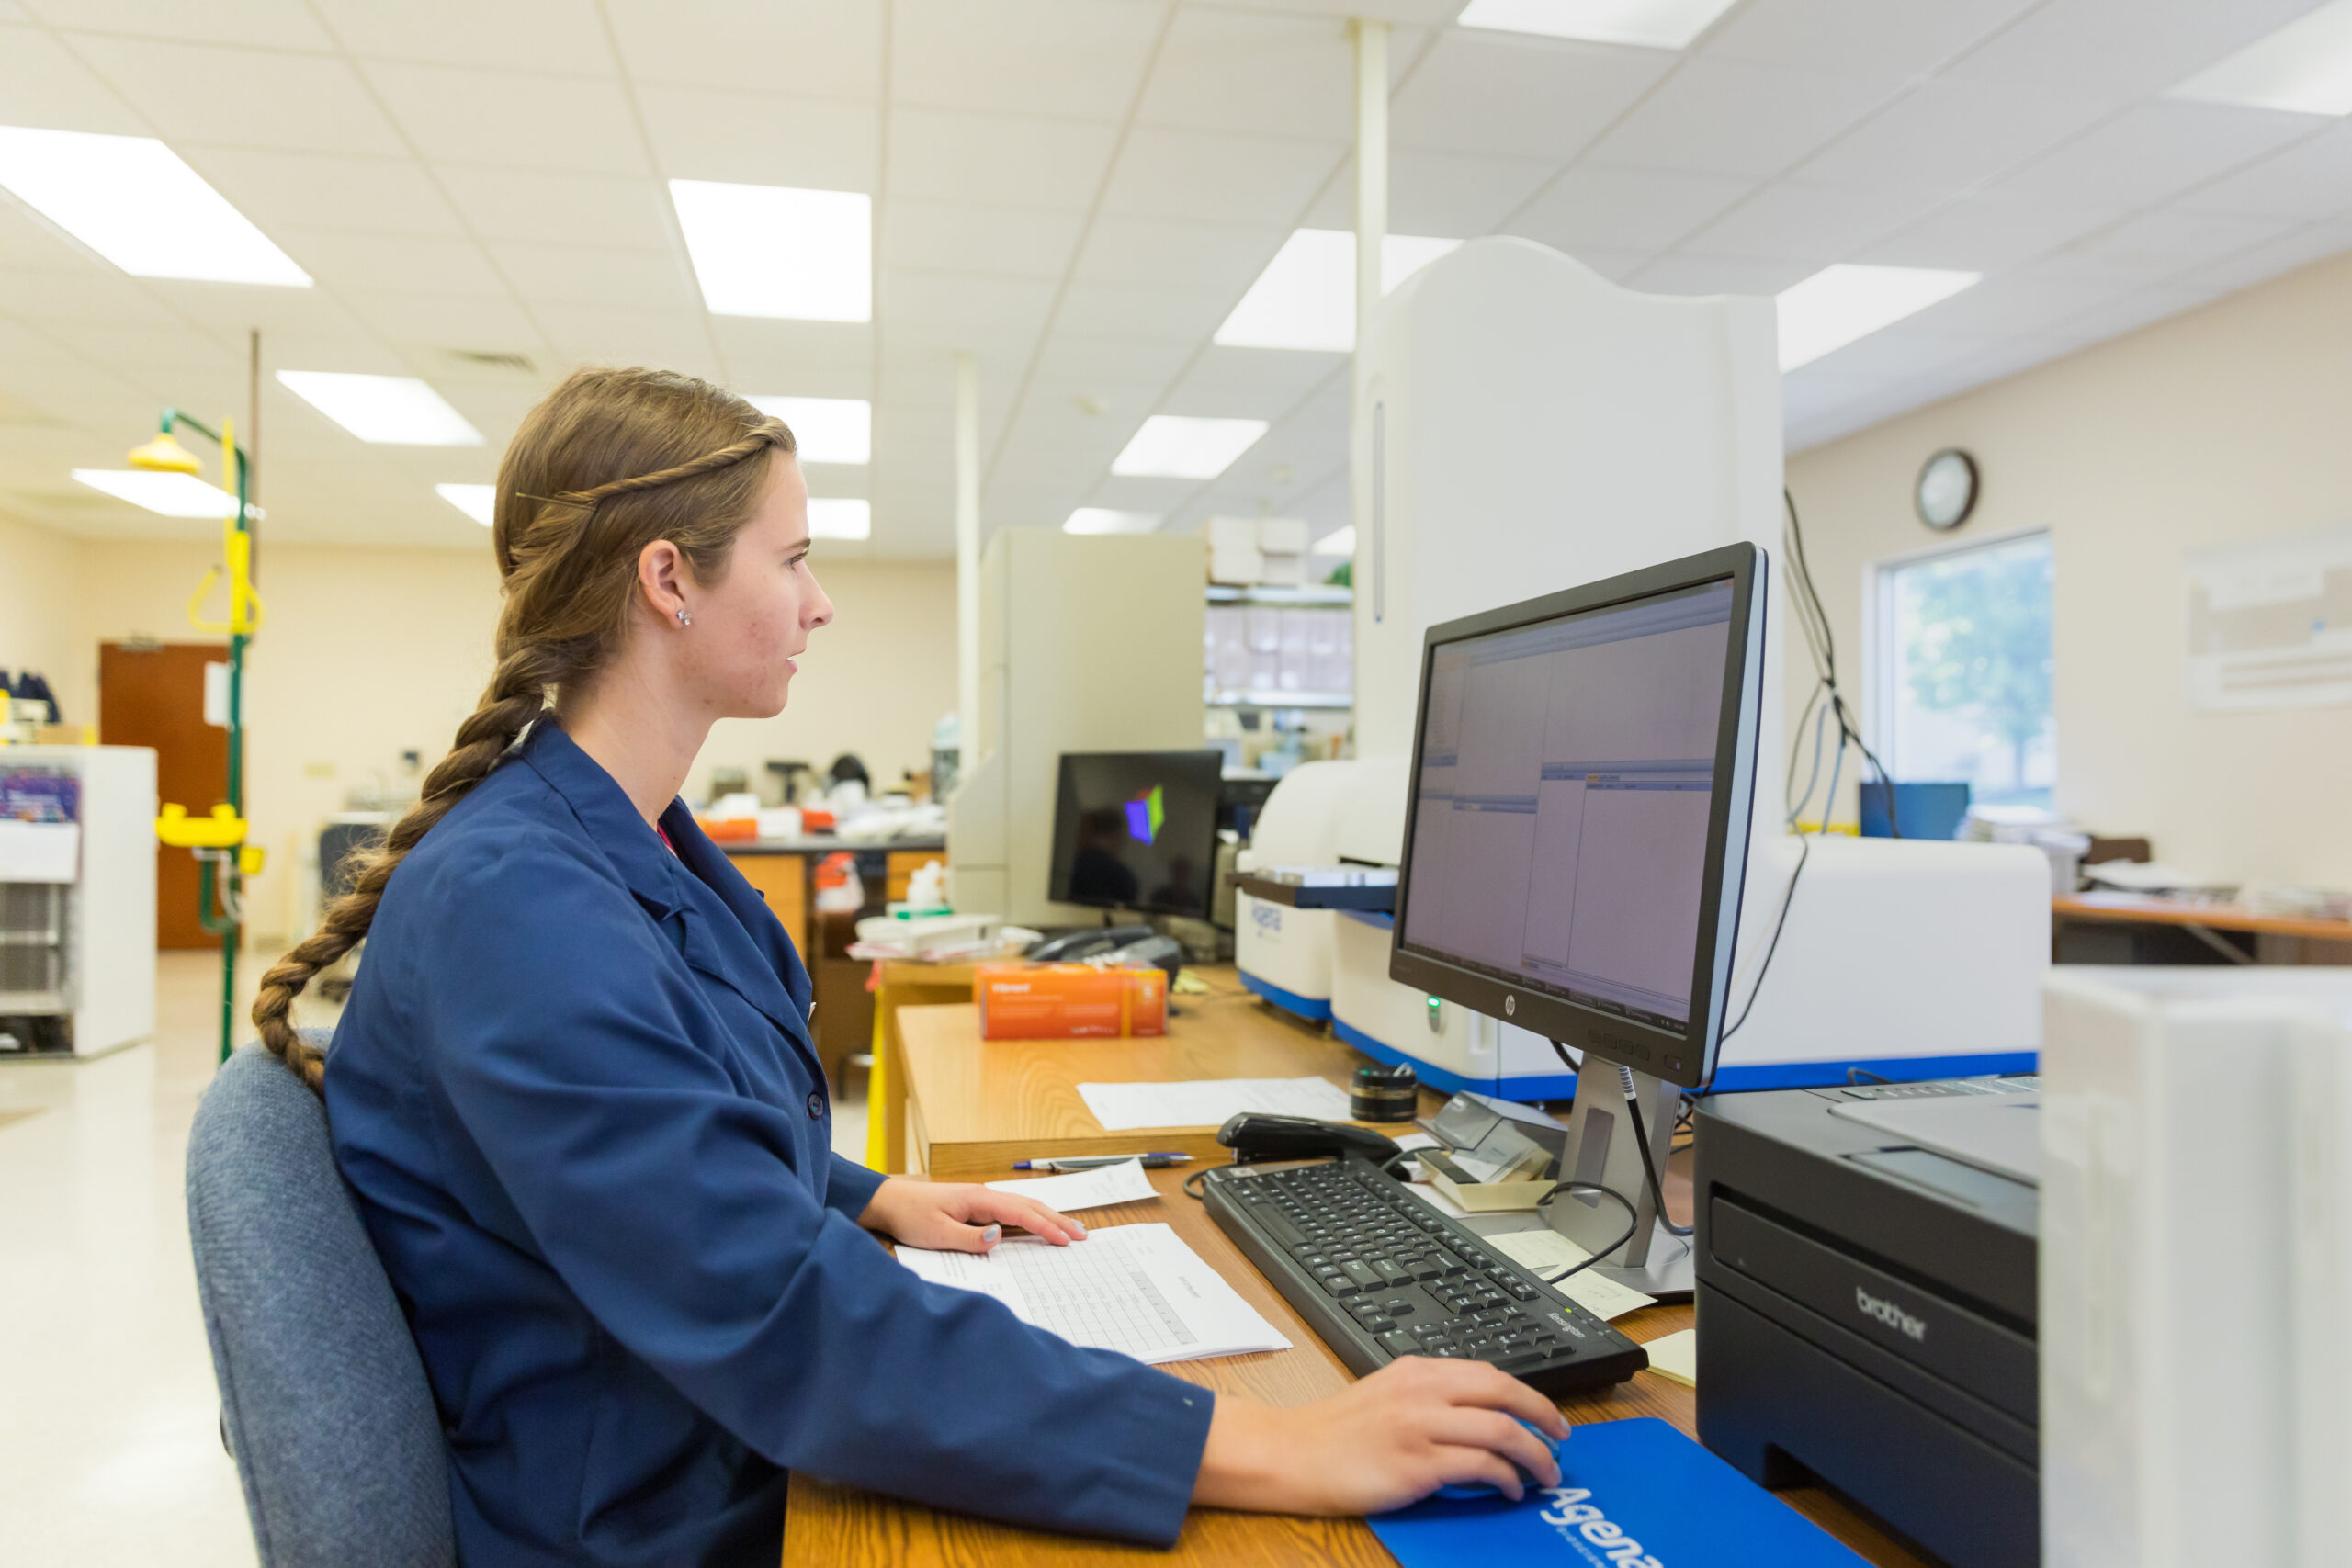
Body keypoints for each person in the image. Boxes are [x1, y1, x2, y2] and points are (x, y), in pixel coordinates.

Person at [250, 367, 1565, 1567]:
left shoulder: (619, 843)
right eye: (795, 559)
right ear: (669, 580)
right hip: (646, 1508)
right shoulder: (516, 905)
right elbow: (784, 1322)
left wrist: (866, 1194)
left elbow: (664, 1135)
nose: (818, 602)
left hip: (684, 1420)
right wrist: (1279, 1446)